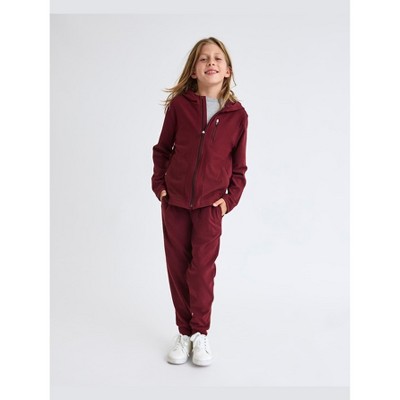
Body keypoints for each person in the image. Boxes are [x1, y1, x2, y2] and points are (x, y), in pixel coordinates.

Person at [151, 37, 248, 366]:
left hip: (209, 209)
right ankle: (183, 332)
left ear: (227, 70)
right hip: (175, 204)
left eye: (217, 58)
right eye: (204, 58)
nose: (211, 62)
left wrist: (227, 201)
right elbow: (162, 150)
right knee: (178, 269)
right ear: (194, 70)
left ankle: (200, 334)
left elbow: (239, 168)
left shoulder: (237, 115)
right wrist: (160, 188)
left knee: (202, 271)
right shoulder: (180, 107)